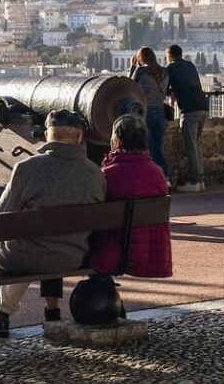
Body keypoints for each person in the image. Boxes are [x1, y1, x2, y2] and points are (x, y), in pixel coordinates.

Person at [0, 110, 106, 345]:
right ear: (79, 137)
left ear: (48, 135)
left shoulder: (27, 168)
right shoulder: (95, 174)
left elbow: (1, 217)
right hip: (72, 256)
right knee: (28, 248)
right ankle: (2, 314)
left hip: (26, 255)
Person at [88, 115, 172, 278]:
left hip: (111, 253)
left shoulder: (108, 175)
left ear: (117, 140)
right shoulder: (157, 173)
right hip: (150, 255)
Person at [166, 45, 209, 192]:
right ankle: (201, 180)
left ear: (169, 55)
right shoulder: (190, 65)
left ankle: (195, 181)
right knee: (196, 145)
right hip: (202, 106)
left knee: (191, 147)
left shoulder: (170, 68)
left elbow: (165, 89)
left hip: (189, 110)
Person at [129, 47, 170, 176]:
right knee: (157, 148)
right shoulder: (165, 71)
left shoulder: (141, 71)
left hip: (146, 112)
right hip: (160, 112)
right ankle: (164, 176)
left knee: (148, 150)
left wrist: (132, 67)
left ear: (141, 58)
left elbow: (129, 86)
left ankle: (157, 177)